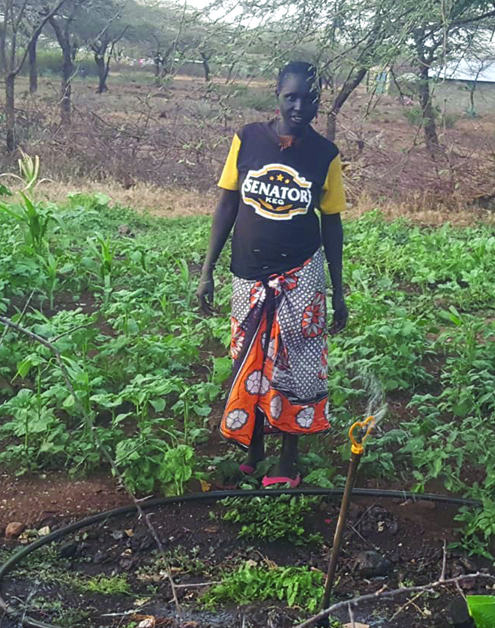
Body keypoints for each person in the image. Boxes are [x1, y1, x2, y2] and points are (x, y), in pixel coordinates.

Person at [196, 61, 348, 488]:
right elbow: (226, 204)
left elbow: (332, 224)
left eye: (310, 99)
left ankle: (288, 460)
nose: (300, 106)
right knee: (250, 359)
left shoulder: (324, 155)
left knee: (296, 364)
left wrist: (338, 291)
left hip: (300, 273)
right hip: (248, 271)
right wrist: (206, 271)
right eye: (291, 97)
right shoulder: (247, 139)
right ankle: (254, 447)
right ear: (277, 94)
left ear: (319, 101)